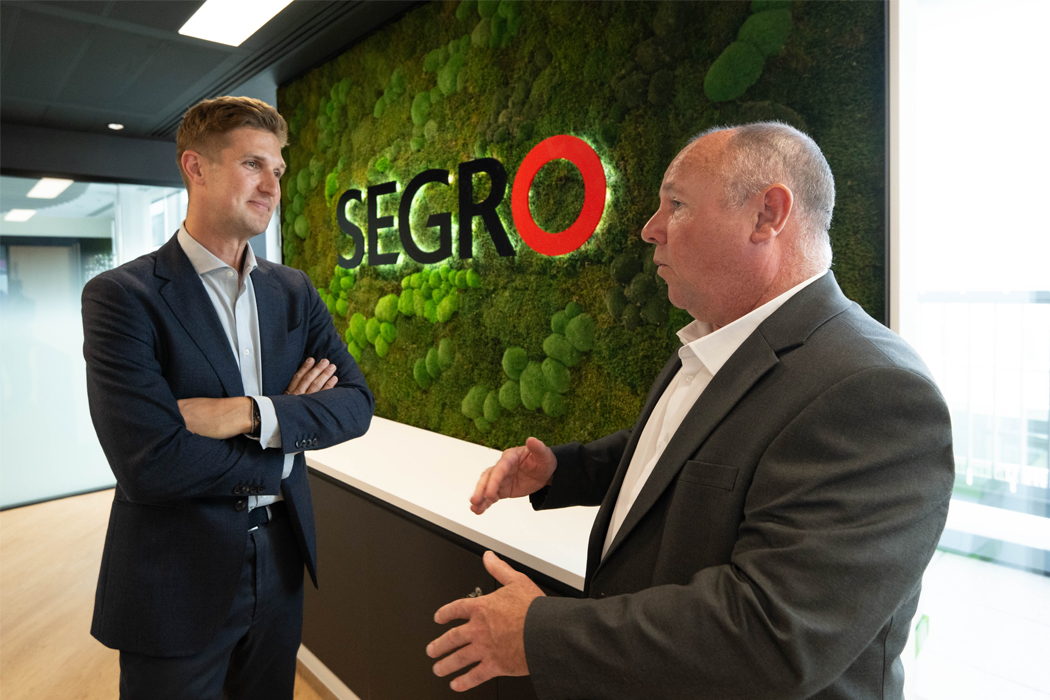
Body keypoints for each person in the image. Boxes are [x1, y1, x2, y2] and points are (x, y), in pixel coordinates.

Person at [427, 122, 954, 699]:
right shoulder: (720, 338)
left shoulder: (874, 392)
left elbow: (771, 634)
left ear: (767, 215)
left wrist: (540, 634)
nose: (649, 229)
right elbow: (685, 451)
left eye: (675, 205)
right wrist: (563, 469)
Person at [83, 96, 374, 699]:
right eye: (252, 164)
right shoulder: (123, 297)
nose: (272, 184)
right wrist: (288, 441)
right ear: (196, 167)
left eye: (278, 169)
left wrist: (249, 412)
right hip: (174, 580)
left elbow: (356, 404)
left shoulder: (292, 291)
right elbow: (151, 464)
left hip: (281, 566)